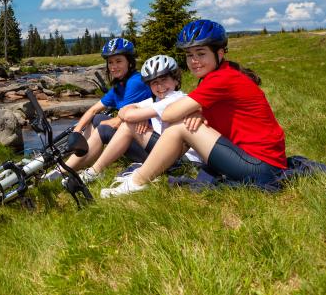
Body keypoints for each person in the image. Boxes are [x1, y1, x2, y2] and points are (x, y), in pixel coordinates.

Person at [101, 19, 287, 198]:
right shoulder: (221, 74)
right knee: (184, 123)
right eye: (190, 55)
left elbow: (168, 114)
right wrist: (197, 111)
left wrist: (192, 112)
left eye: (201, 53)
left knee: (180, 126)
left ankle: (136, 182)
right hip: (259, 161)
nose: (194, 61)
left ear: (220, 53)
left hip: (262, 167)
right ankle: (143, 175)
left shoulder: (222, 79)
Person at [78, 54, 203, 184]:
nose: (160, 87)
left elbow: (127, 116)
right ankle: (91, 170)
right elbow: (123, 110)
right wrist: (139, 112)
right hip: (165, 152)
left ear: (176, 80)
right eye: (154, 82)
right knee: (119, 124)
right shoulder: (156, 100)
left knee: (128, 125)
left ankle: (94, 171)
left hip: (183, 159)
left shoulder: (176, 98)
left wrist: (139, 115)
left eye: (164, 79)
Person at [44, 37, 152, 181]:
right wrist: (76, 133)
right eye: (110, 62)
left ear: (130, 62)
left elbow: (119, 121)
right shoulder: (119, 86)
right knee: (95, 118)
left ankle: (66, 170)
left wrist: (102, 126)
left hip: (148, 146)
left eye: (119, 61)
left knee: (103, 128)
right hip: (135, 137)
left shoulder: (135, 82)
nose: (113, 67)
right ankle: (78, 161)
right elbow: (93, 110)